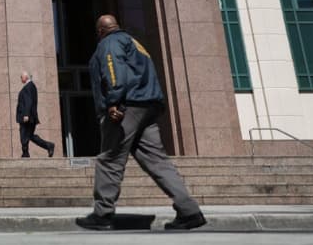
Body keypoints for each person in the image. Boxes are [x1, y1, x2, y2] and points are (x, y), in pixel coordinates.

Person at [76, 14, 207, 231]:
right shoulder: (135, 43)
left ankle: (102, 214)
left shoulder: (109, 42)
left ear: (100, 31)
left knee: (110, 159)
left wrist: (113, 102)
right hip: (147, 108)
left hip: (126, 107)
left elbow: (113, 71)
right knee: (158, 161)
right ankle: (189, 211)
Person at [16, 72, 55, 158]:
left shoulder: (28, 87)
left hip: (27, 117)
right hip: (31, 117)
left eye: (21, 77)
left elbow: (28, 101)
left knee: (24, 136)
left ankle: (26, 153)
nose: (20, 79)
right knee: (29, 136)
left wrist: (26, 114)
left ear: (26, 77)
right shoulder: (31, 86)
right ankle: (48, 146)